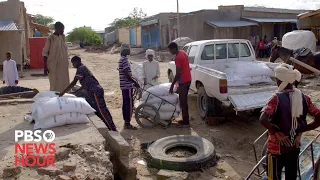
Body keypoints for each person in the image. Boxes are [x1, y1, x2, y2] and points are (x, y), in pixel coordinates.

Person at [260, 63, 320, 180]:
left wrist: (276, 133)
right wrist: (302, 130)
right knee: (291, 175)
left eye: (276, 80)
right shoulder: (305, 98)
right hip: (294, 146)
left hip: (276, 148)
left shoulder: (276, 98)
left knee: (272, 177)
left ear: (280, 81)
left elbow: (263, 119)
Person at [59, 56, 117, 131]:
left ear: (77, 61)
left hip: (95, 91)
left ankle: (112, 128)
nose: (73, 65)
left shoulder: (80, 68)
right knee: (102, 109)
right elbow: (85, 84)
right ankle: (110, 126)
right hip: (96, 90)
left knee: (102, 111)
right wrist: (75, 92)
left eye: (73, 63)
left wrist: (63, 92)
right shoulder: (83, 67)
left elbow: (74, 82)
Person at [168, 42, 192, 128]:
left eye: (170, 50)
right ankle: (185, 120)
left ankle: (186, 123)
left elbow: (178, 73)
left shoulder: (178, 57)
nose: (170, 52)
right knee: (184, 101)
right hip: (188, 79)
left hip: (184, 82)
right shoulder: (183, 52)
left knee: (183, 102)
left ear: (174, 49)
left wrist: (172, 85)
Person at [43, 21, 70, 92]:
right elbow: (45, 53)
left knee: (65, 82)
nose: (63, 31)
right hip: (53, 65)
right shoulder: (50, 38)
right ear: (57, 29)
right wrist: (45, 67)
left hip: (63, 66)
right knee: (54, 83)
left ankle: (64, 97)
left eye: (63, 29)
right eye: (61, 29)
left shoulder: (63, 37)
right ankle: (54, 98)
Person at [118, 43, 140, 130]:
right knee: (129, 104)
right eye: (128, 49)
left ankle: (126, 122)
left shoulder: (122, 59)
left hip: (124, 86)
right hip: (127, 86)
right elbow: (127, 74)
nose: (129, 51)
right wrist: (134, 82)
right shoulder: (125, 60)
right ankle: (127, 123)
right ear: (125, 50)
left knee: (125, 103)